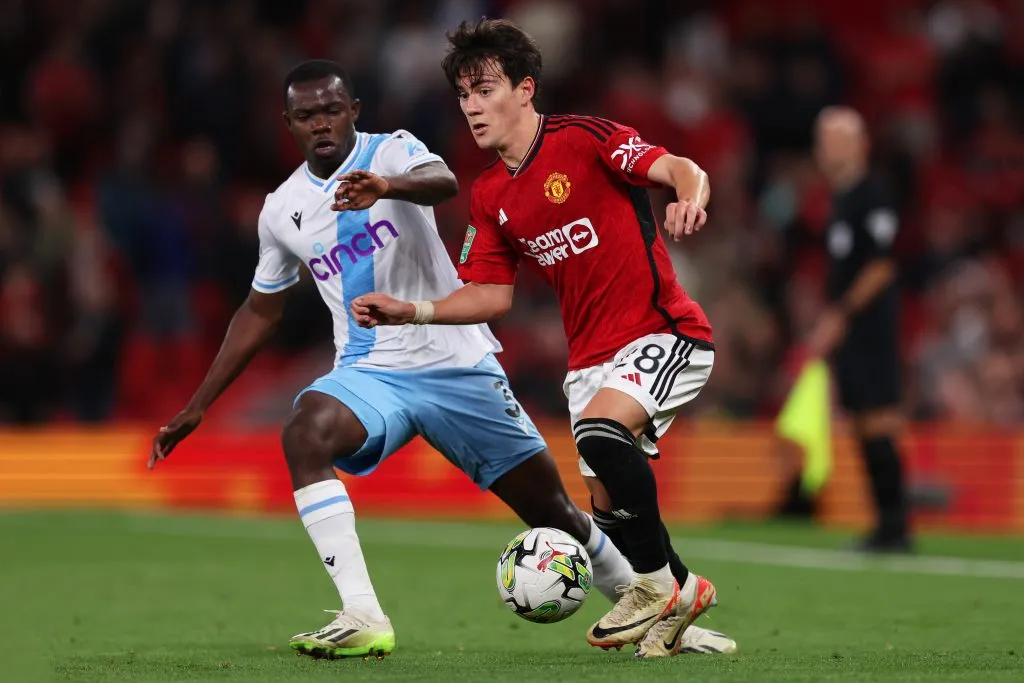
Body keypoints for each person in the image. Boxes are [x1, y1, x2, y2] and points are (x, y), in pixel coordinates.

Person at [148, 60, 734, 661]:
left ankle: (665, 613)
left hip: (459, 363)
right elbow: (259, 310)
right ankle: (362, 613)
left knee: (553, 508)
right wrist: (198, 405)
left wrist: (385, 187)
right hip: (370, 370)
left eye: (331, 110)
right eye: (306, 115)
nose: (321, 123)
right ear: (289, 124)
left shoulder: (395, 151)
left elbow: (442, 181)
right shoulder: (282, 209)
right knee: (304, 432)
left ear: (353, 110)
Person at [350, 20, 719, 658]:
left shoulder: (586, 138)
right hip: (589, 363)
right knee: (609, 510)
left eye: (484, 88)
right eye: (462, 94)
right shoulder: (491, 194)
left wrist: (688, 196)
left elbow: (680, 167)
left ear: (525, 89)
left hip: (665, 330)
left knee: (604, 437)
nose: (470, 105)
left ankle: (659, 589)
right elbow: (491, 294)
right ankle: (680, 606)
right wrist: (409, 310)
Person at [809, 106, 911, 553]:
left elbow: (882, 266)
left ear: (859, 143)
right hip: (853, 333)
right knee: (862, 423)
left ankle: (895, 526)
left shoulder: (873, 194)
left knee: (878, 421)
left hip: (870, 329)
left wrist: (840, 315)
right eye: (822, 137)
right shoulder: (842, 198)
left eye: (834, 137)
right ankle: (887, 525)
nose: (824, 146)